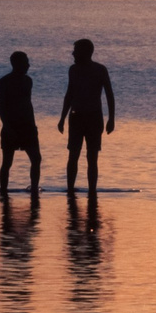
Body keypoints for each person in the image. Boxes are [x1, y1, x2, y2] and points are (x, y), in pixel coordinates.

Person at [56, 37, 116, 195]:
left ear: (85, 52)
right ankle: (70, 189)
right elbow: (69, 94)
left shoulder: (100, 70)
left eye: (75, 52)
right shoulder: (73, 70)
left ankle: (92, 191)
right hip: (76, 116)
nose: (73, 54)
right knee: (73, 154)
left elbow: (109, 94)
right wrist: (62, 118)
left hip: (94, 117)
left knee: (92, 156)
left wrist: (111, 119)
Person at [0, 50, 42, 195]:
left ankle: (34, 188)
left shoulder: (28, 81)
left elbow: (28, 104)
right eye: (25, 62)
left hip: (28, 126)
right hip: (11, 125)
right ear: (16, 64)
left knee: (36, 158)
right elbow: (2, 106)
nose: (28, 65)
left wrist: (33, 126)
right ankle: (3, 191)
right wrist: (7, 126)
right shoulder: (4, 82)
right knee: (7, 162)